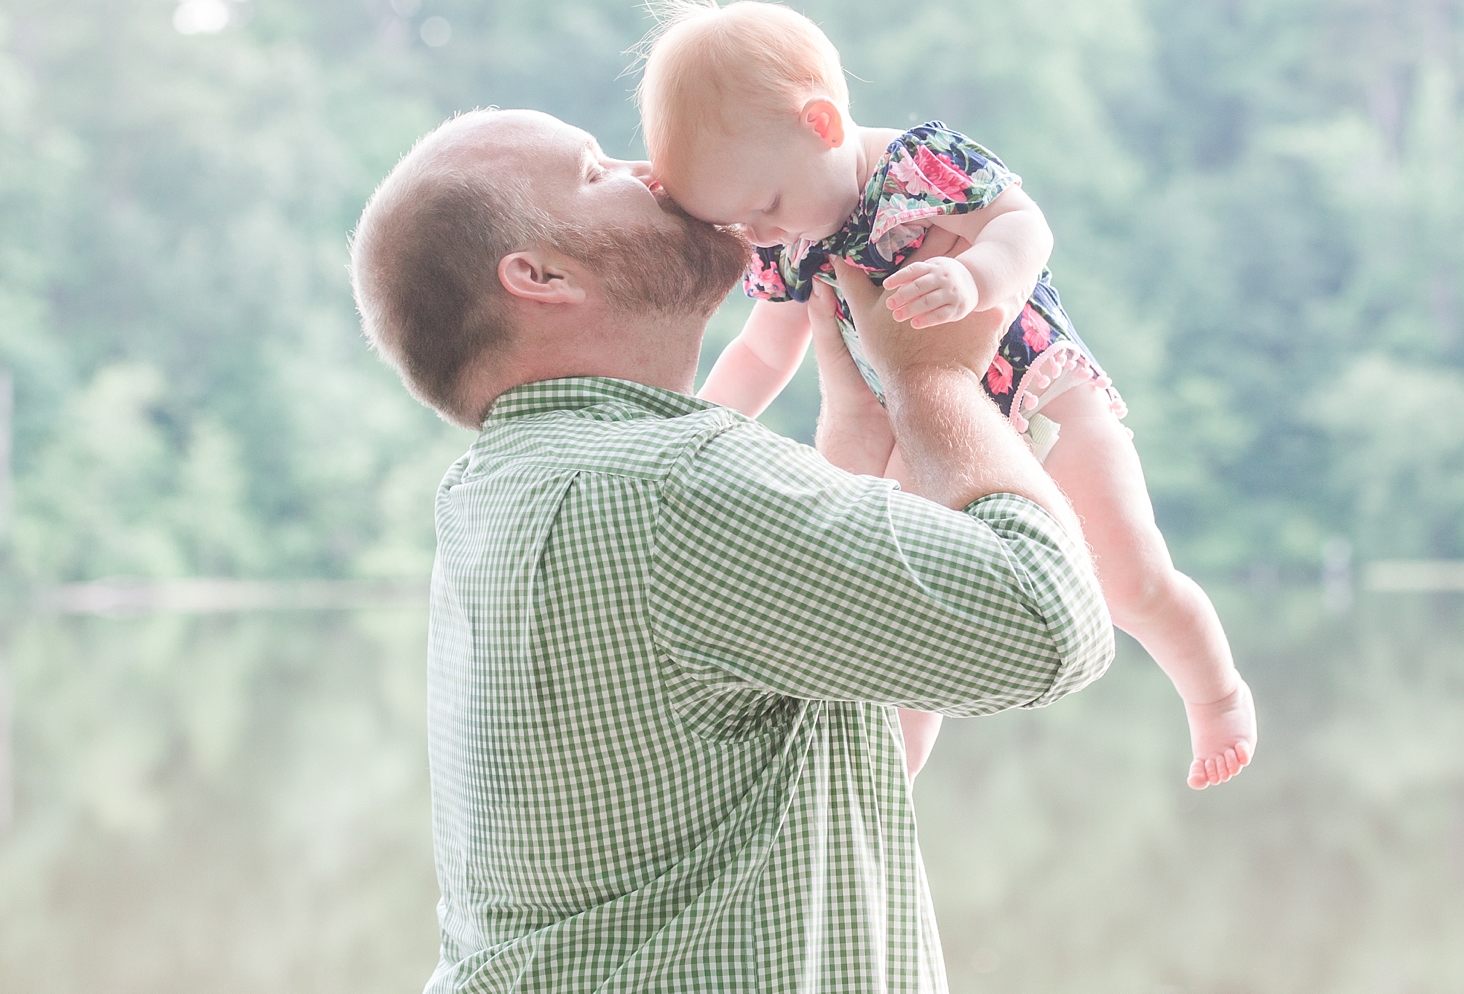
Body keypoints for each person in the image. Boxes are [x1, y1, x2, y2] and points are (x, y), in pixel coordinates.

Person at [349, 108, 1116, 992]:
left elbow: (822, 768)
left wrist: (861, 432)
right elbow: (1049, 628)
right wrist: (932, 381)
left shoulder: (494, 492)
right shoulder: (669, 485)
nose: (655, 172)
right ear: (539, 274)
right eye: (598, 170)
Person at [637, 0, 1255, 788]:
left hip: (1039, 393)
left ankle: (1218, 698)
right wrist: (699, 430)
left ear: (821, 125)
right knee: (911, 630)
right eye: (739, 225)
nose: (762, 234)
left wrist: (976, 275)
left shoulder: (918, 165)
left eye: (765, 206)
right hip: (920, 434)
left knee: (1130, 579)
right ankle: (886, 787)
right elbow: (762, 349)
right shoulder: (787, 240)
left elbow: (1027, 226)